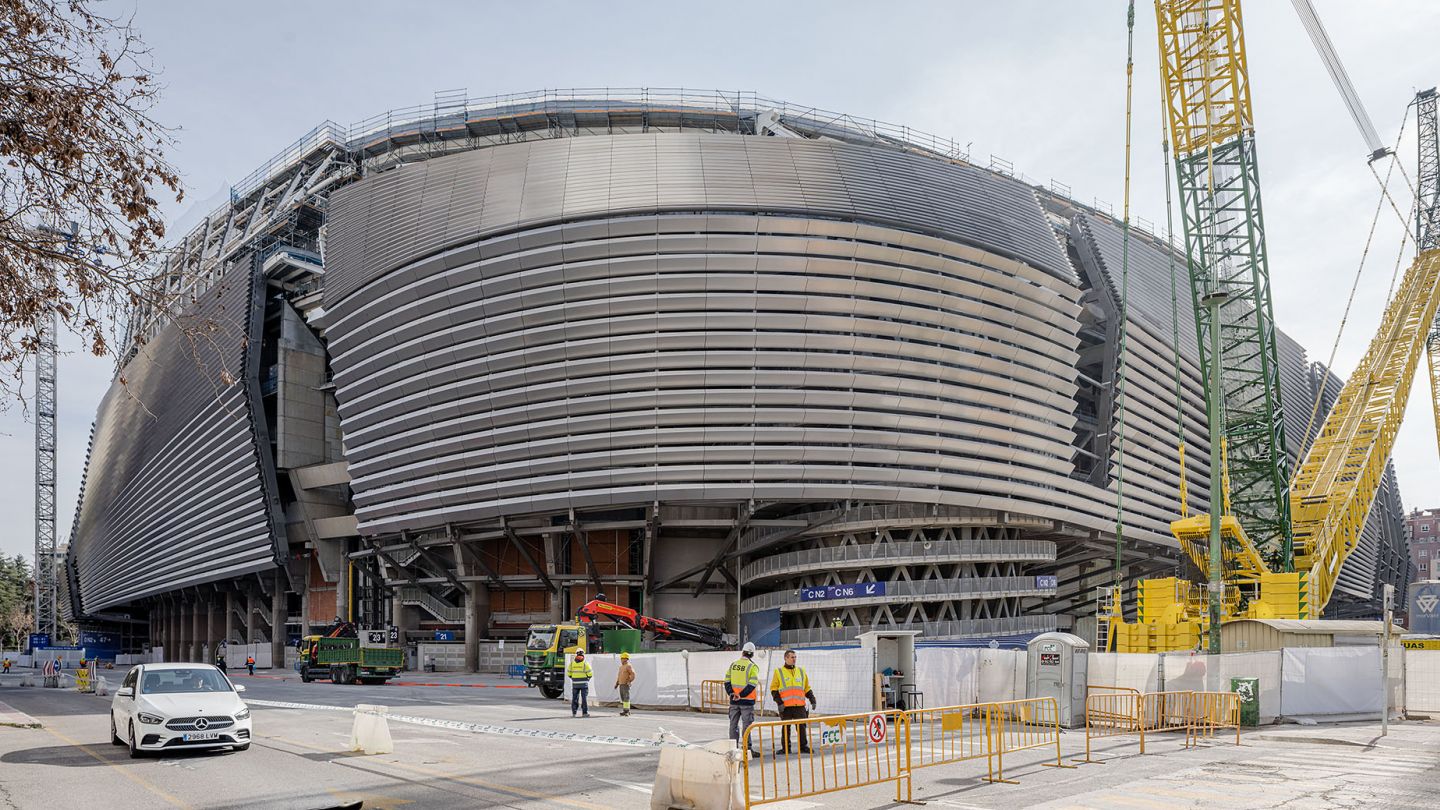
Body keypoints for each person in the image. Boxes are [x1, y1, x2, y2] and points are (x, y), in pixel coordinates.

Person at [769, 649, 817, 755]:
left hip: (799, 706)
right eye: (792, 657)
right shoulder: (779, 672)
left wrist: (812, 699)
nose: (794, 659)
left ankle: (803, 746)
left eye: (795, 657)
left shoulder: (801, 671)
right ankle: (786, 748)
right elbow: (774, 689)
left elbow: (806, 688)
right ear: (785, 658)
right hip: (785, 706)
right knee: (786, 728)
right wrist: (779, 703)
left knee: (801, 727)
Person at [727, 642, 761, 758]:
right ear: (752, 654)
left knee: (733, 725)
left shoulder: (733, 665)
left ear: (742, 652)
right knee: (747, 726)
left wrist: (732, 693)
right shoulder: (753, 667)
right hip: (746, 701)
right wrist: (741, 695)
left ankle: (733, 749)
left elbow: (727, 681)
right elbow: (752, 685)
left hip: (734, 701)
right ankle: (747, 749)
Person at [568, 649, 593, 717]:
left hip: (575, 684)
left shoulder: (572, 663)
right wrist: (587, 678)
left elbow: (569, 673)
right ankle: (584, 713)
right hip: (584, 684)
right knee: (584, 698)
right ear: (583, 655)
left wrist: (573, 678)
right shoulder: (585, 663)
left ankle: (574, 713)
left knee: (575, 698)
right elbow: (590, 673)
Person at [615, 651, 636, 716]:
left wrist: (629, 681)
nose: (621, 660)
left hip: (625, 684)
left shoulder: (628, 666)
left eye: (623, 658)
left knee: (626, 697)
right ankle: (625, 710)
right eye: (621, 658)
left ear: (626, 659)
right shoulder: (621, 667)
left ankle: (627, 711)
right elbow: (619, 676)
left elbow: (633, 674)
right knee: (623, 697)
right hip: (621, 684)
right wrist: (617, 683)